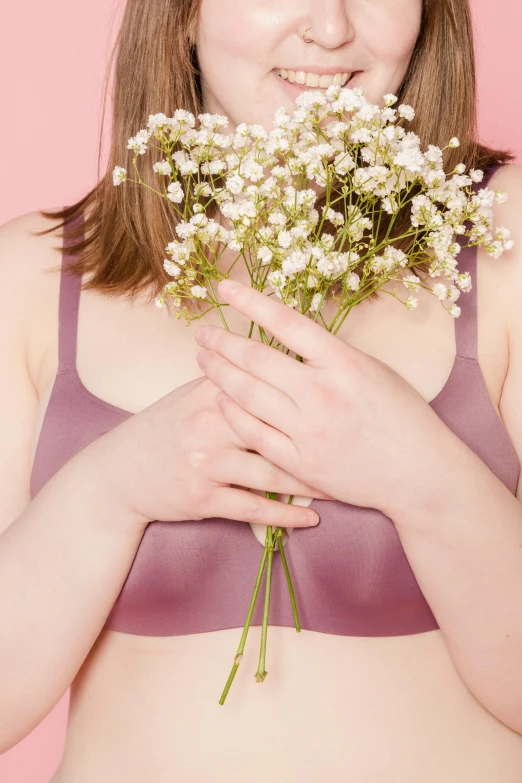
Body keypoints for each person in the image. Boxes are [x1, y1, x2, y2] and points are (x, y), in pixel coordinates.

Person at [1, 0, 522, 779]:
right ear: (183, 15)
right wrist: (113, 487)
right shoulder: (34, 274)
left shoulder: (499, 236)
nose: (333, 28)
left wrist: (424, 476)